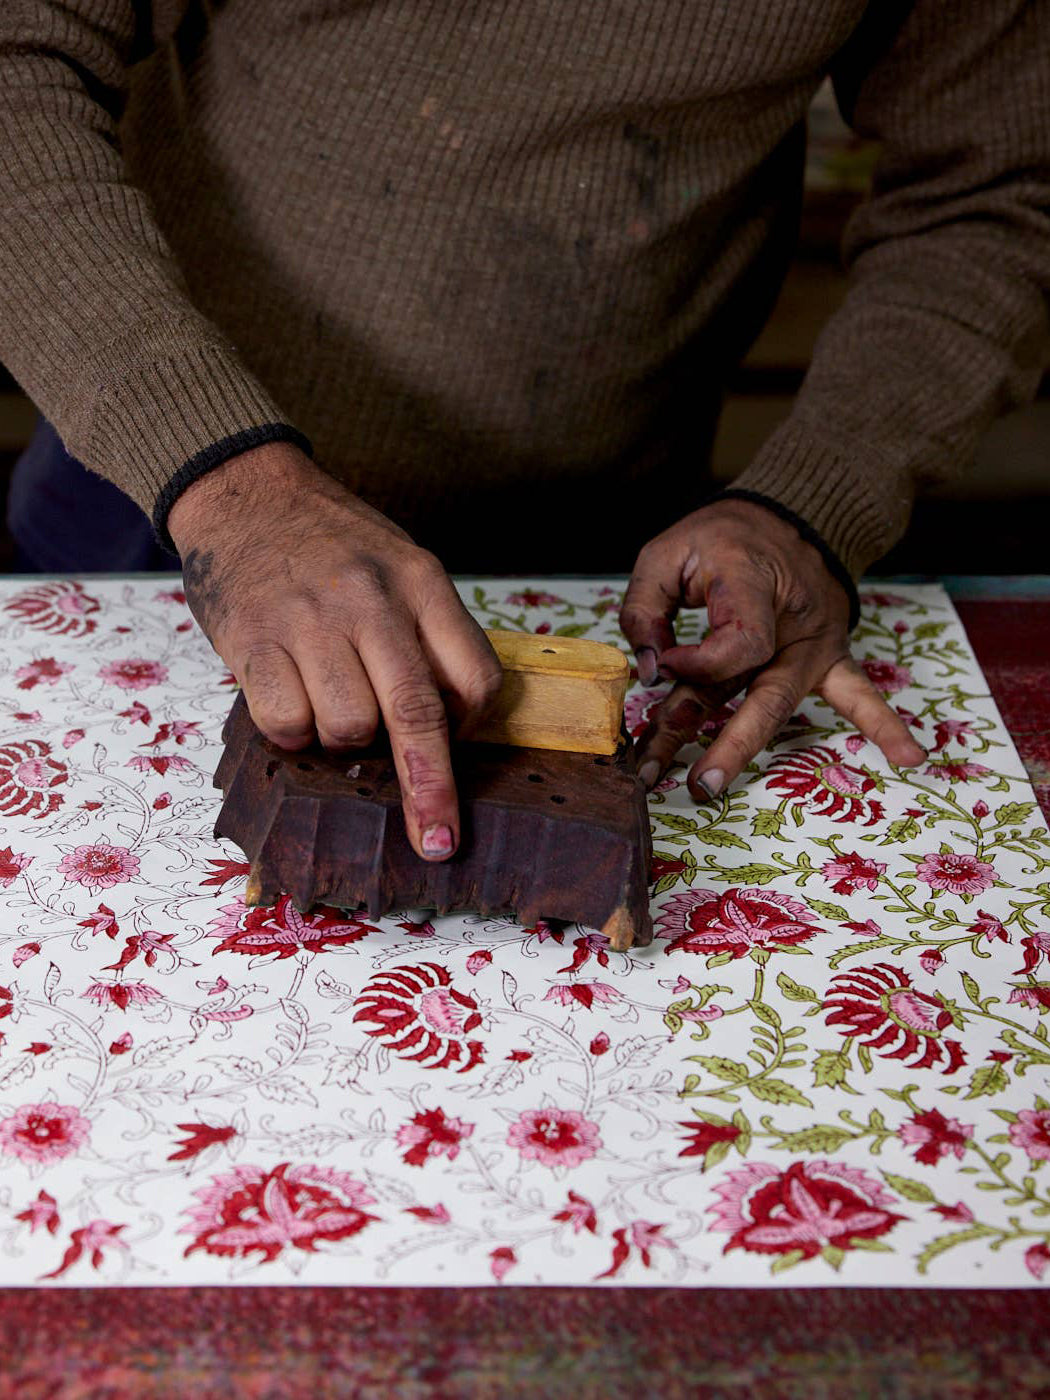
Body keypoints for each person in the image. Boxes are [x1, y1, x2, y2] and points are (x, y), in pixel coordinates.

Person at [0, 2, 1046, 863]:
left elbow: (996, 186)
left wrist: (814, 503)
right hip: (165, 489)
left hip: (614, 558)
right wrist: (231, 485)